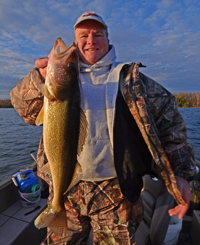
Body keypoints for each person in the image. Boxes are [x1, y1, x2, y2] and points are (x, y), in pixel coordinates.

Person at [10, 11, 197, 245]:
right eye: (83, 35)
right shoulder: (55, 84)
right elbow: (24, 110)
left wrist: (180, 174)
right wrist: (37, 78)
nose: (91, 40)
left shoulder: (133, 81)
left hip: (119, 192)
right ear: (76, 42)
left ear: (108, 40)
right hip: (68, 188)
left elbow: (173, 127)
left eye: (97, 34)